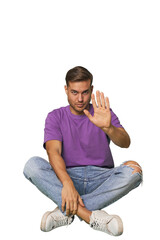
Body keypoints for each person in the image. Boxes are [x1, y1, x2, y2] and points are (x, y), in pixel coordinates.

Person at [23, 66, 142, 236]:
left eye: (85, 92)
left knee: (134, 170)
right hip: (68, 177)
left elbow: (125, 142)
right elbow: (53, 152)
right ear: (66, 89)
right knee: (32, 165)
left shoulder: (102, 113)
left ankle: (66, 210)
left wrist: (109, 128)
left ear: (91, 89)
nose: (80, 98)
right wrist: (67, 184)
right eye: (74, 92)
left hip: (101, 179)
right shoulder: (55, 116)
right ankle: (90, 216)